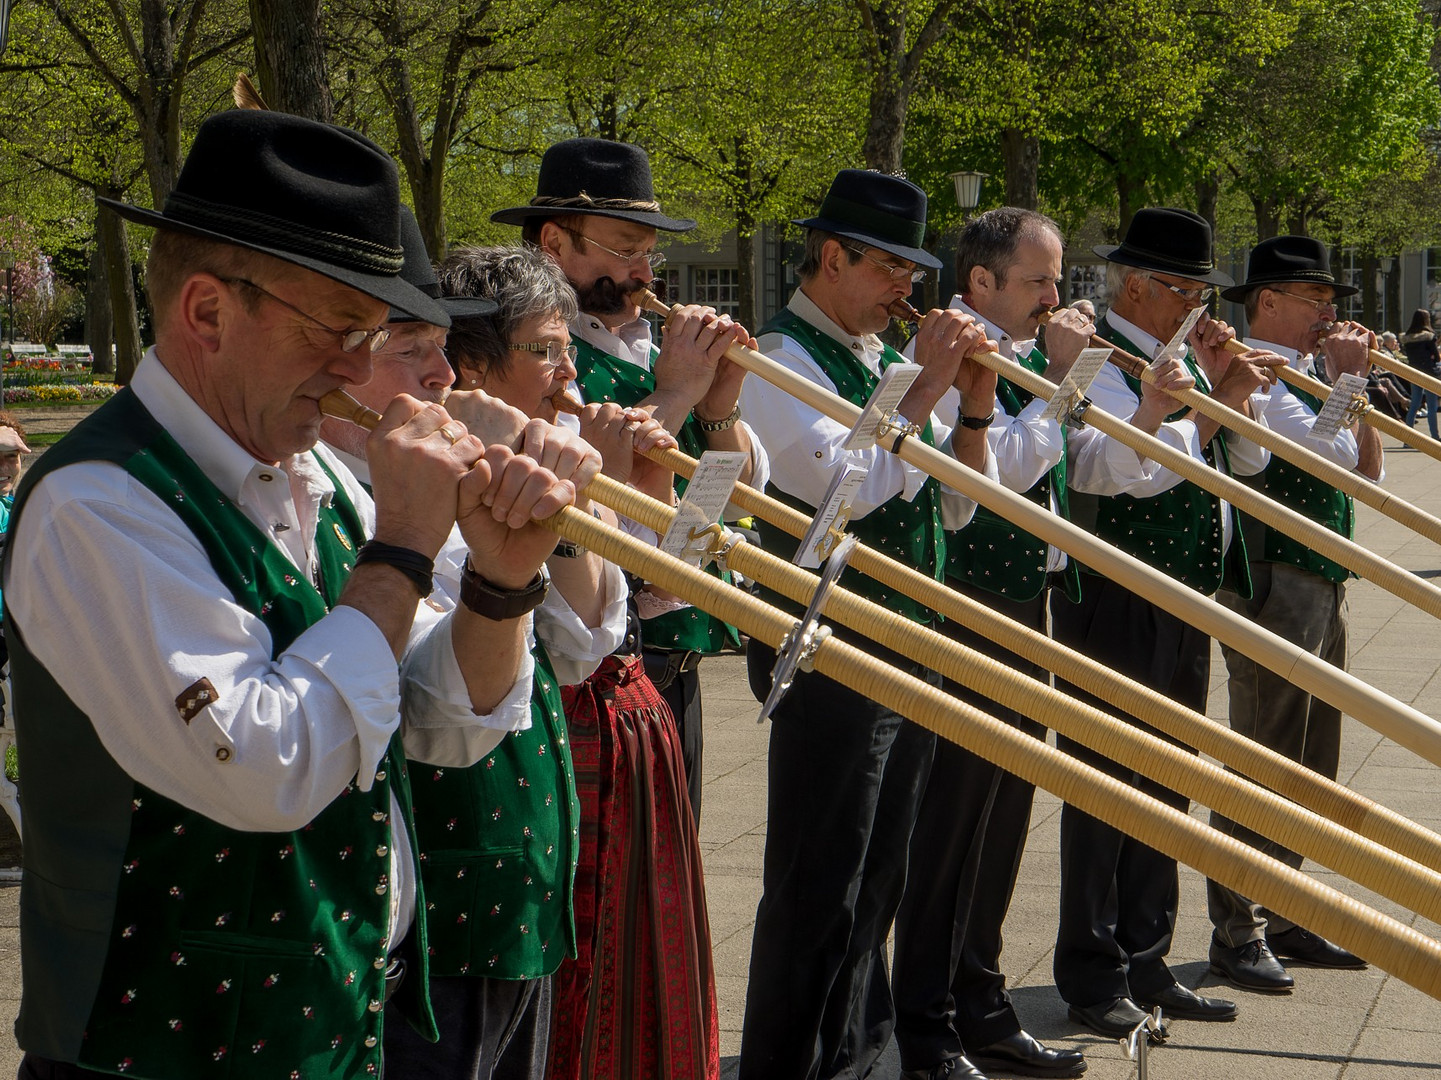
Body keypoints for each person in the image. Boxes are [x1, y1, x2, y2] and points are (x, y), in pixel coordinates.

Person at [2, 109, 592, 1080]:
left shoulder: (308, 476)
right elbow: (266, 765)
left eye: (374, 335)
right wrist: (404, 546)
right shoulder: (94, 503)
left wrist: (501, 578)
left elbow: (445, 726)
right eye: (339, 329)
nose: (362, 371)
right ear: (206, 313)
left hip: (328, 1027)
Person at [317, 209, 615, 1080]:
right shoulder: (355, 492)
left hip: (516, 869)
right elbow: (421, 709)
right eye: (410, 346)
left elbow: (581, 641)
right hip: (424, 905)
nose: (440, 375)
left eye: (441, 347)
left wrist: (568, 517)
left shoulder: (436, 468)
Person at [736, 168, 998, 1080]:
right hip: (826, 652)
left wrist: (962, 399)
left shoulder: (870, 361)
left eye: (912, 269)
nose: (907, 289)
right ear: (831, 256)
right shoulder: (782, 357)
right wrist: (923, 388)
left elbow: (947, 504)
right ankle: (789, 1064)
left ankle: (854, 1058)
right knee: (820, 887)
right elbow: (835, 496)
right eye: (889, 267)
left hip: (899, 644)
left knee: (878, 879)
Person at [437, 244, 719, 1080]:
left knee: (635, 965)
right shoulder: (466, 457)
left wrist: (701, 423)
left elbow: (673, 586)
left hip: (627, 726)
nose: (568, 371)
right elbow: (579, 641)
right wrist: (588, 488)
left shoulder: (563, 433)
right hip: (548, 739)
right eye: (547, 350)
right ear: (475, 362)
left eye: (567, 349)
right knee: (564, 986)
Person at [492, 137, 769, 825]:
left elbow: (735, 494)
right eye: (624, 248)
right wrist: (673, 394)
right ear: (554, 242)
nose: (645, 270)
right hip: (585, 665)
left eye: (650, 250)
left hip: (675, 653)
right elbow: (573, 472)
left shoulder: (651, 343)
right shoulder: (524, 350)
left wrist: (717, 406)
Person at [1054, 207, 1280, 1039]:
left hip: (1185, 594)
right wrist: (1213, 403)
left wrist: (1238, 395)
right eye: (1185, 290)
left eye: (1202, 291)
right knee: (1109, 784)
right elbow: (1130, 475)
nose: (1199, 306)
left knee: (1168, 782)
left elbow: (1247, 463)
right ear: (1137, 284)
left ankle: (1148, 962)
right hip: (1114, 593)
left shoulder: (1177, 356)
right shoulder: (1096, 360)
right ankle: (1091, 969)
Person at [891, 208, 1090, 1080]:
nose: (1057, 297)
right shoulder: (939, 357)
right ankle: (927, 1020)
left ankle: (980, 998)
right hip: (966, 606)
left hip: (1023, 603)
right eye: (1040, 281)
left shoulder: (1013, 357)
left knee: (1003, 814)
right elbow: (1000, 472)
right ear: (981, 283)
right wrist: (1056, 381)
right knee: (950, 824)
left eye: (1055, 280)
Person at [1206, 236, 1377, 991]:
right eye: (1314, 303)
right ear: (1266, 303)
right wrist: (1342, 384)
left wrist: (1351, 389)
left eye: (1329, 305)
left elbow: (1365, 469)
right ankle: (1236, 929)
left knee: (1315, 760)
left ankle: (1292, 906)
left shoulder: (1308, 371)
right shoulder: (1252, 371)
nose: (1326, 316)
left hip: (1320, 572)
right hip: (1272, 574)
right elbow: (1308, 458)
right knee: (1264, 756)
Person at [1400, 308, 1440, 438]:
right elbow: (1437, 356)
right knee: (1432, 406)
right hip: (1429, 373)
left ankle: (1407, 438)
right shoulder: (1429, 337)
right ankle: (1434, 436)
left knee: (1415, 404)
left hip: (1414, 372)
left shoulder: (1407, 338)